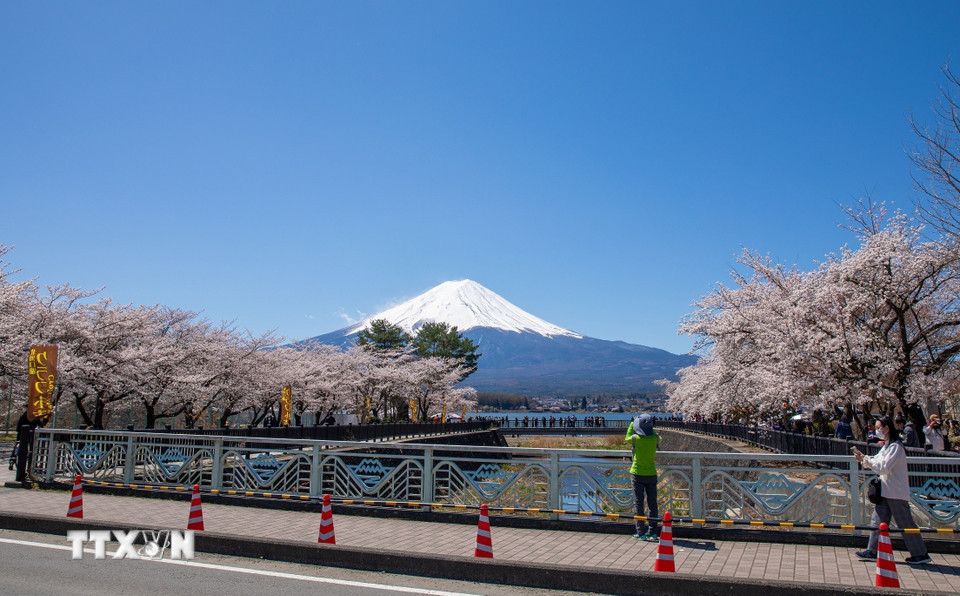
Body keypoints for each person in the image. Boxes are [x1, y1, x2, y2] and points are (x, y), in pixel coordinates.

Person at [852, 416, 931, 565]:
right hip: (885, 490)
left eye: (879, 428)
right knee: (877, 521)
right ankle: (872, 550)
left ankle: (920, 553)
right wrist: (864, 458)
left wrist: (867, 460)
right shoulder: (887, 446)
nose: (877, 431)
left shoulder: (896, 447)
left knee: (905, 523)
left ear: (887, 428)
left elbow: (884, 467)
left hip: (895, 492)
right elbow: (877, 460)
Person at [626, 413, 661, 542]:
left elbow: (627, 437)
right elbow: (656, 435)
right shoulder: (655, 439)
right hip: (651, 473)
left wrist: (632, 423)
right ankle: (653, 532)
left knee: (638, 503)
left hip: (637, 473)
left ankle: (640, 532)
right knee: (652, 504)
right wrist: (649, 427)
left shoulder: (635, 439)